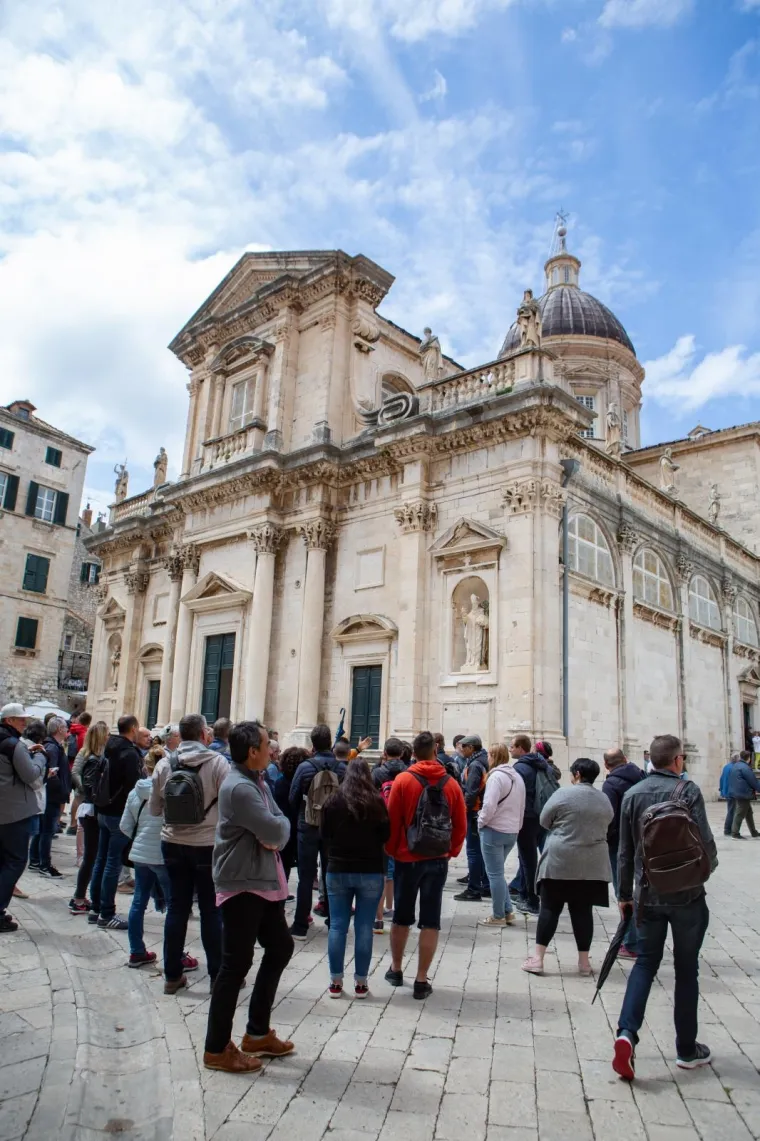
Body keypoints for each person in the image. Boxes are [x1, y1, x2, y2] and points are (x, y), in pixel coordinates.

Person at [613, 734, 717, 1080]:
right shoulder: (687, 792)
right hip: (687, 896)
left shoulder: (631, 795)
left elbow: (624, 852)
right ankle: (687, 1049)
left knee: (644, 964)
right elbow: (707, 846)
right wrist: (699, 873)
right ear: (677, 761)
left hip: (647, 896)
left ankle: (626, 1034)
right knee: (687, 970)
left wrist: (624, 894)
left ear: (649, 761)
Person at [203, 720, 295, 1075]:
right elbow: (276, 827)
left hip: (260, 879)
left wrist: (277, 827)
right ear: (252, 751)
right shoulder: (241, 788)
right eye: (265, 743)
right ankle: (216, 1048)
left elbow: (278, 822)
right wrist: (277, 827)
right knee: (234, 965)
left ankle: (257, 1032)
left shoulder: (257, 781)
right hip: (243, 882)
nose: (272, 746)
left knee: (280, 947)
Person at [384, 730, 467, 998]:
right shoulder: (451, 784)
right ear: (434, 751)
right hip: (437, 859)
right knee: (431, 921)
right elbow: (461, 825)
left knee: (401, 917)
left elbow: (392, 822)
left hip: (407, 859)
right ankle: (421, 979)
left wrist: (393, 850)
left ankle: (396, 969)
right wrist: (451, 851)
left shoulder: (402, 781)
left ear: (414, 753)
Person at [151, 713, 229, 994]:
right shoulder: (219, 763)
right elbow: (230, 806)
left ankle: (172, 975)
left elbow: (154, 809)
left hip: (172, 844)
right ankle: (217, 976)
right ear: (203, 734)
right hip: (208, 845)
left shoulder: (163, 764)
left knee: (177, 908)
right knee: (211, 911)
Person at [523, 758, 612, 976]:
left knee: (550, 909)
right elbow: (608, 821)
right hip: (591, 864)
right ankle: (583, 963)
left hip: (560, 860)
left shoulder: (563, 794)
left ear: (578, 774)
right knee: (583, 911)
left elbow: (544, 819)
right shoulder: (603, 799)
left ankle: (538, 959)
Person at [121, 742, 198, 973]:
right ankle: (176, 956)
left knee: (138, 902)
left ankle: (137, 951)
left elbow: (125, 826)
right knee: (176, 908)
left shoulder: (135, 792)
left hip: (141, 854)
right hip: (164, 854)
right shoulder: (172, 790)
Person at [321, 759, 389, 998]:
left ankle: (336, 982)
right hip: (370, 870)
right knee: (364, 927)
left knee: (337, 926)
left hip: (338, 868)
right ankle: (361, 983)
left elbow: (324, 835)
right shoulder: (377, 802)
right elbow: (385, 836)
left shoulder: (333, 802)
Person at [288, 724, 347, 940]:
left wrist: (301, 817)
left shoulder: (305, 767)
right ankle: (333, 920)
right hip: (333, 828)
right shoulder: (341, 768)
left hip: (308, 825)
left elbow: (293, 797)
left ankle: (300, 925)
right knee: (332, 874)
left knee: (305, 876)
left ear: (312, 744)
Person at [88, 715, 144, 930]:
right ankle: (107, 913)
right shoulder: (129, 753)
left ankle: (96, 908)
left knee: (101, 860)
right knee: (113, 862)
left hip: (103, 809)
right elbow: (134, 787)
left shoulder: (108, 747)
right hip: (118, 813)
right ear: (133, 728)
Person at [0, 704, 46, 933]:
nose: (24, 724)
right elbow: (31, 775)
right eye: (20, 720)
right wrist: (39, 758)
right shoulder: (12, 745)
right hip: (13, 811)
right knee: (16, 861)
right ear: (8, 720)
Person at [602, 747, 646, 958]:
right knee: (642, 890)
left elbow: (608, 816)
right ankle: (640, 937)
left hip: (620, 844)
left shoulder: (610, 784)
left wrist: (606, 837)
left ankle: (630, 942)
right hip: (644, 840)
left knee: (624, 892)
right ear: (626, 759)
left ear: (606, 766)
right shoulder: (642, 777)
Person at [478, 743, 526, 927]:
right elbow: (522, 805)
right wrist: (517, 826)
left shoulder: (496, 777)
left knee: (495, 874)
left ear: (493, 756)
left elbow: (489, 805)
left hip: (494, 830)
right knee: (498, 873)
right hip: (512, 831)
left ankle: (497, 916)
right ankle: (508, 911)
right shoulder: (517, 776)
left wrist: (481, 822)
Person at [68, 720, 110, 915]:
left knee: (92, 857)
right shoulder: (92, 757)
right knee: (91, 857)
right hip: (91, 809)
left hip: (89, 808)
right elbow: (79, 776)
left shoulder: (92, 755)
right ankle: (78, 898)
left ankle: (81, 896)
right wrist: (90, 792)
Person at [509, 735, 552, 915]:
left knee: (527, 859)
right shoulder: (542, 764)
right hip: (540, 815)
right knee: (530, 858)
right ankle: (525, 893)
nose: (510, 749)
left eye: (512, 746)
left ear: (521, 748)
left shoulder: (520, 768)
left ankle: (532, 901)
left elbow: (516, 794)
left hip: (526, 817)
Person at [371, 738, 408, 932]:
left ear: (385, 753)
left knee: (381, 871)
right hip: (402, 827)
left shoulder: (377, 772)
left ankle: (377, 919)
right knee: (398, 871)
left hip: (381, 825)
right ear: (401, 753)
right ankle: (393, 909)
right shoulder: (408, 773)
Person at [28, 717, 71, 877]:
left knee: (43, 830)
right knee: (47, 831)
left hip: (51, 795)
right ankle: (44, 864)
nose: (68, 730)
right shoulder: (52, 748)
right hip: (51, 796)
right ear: (59, 729)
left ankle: (34, 860)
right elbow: (51, 772)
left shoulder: (53, 746)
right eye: (66, 727)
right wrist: (61, 790)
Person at [455, 735, 490, 902]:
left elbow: (471, 792)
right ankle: (485, 885)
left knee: (473, 851)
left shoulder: (475, 765)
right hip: (478, 809)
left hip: (474, 811)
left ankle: (474, 888)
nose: (461, 750)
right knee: (479, 851)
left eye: (463, 747)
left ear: (471, 748)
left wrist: (464, 809)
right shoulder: (481, 760)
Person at [273, 747, 308, 881]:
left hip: (284, 828)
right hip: (301, 827)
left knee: (283, 868)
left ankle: (282, 897)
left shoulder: (280, 783)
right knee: (304, 873)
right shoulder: (304, 783)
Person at [728, 751, 760, 839]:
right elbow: (753, 781)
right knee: (740, 813)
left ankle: (753, 832)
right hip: (743, 793)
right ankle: (735, 833)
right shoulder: (745, 768)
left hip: (737, 792)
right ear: (748, 758)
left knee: (749, 812)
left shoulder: (736, 766)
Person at [719, 753, 739, 836]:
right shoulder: (734, 768)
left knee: (731, 810)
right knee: (732, 811)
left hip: (727, 791)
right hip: (732, 792)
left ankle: (729, 829)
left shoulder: (726, 767)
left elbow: (721, 778)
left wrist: (722, 789)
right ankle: (728, 829)